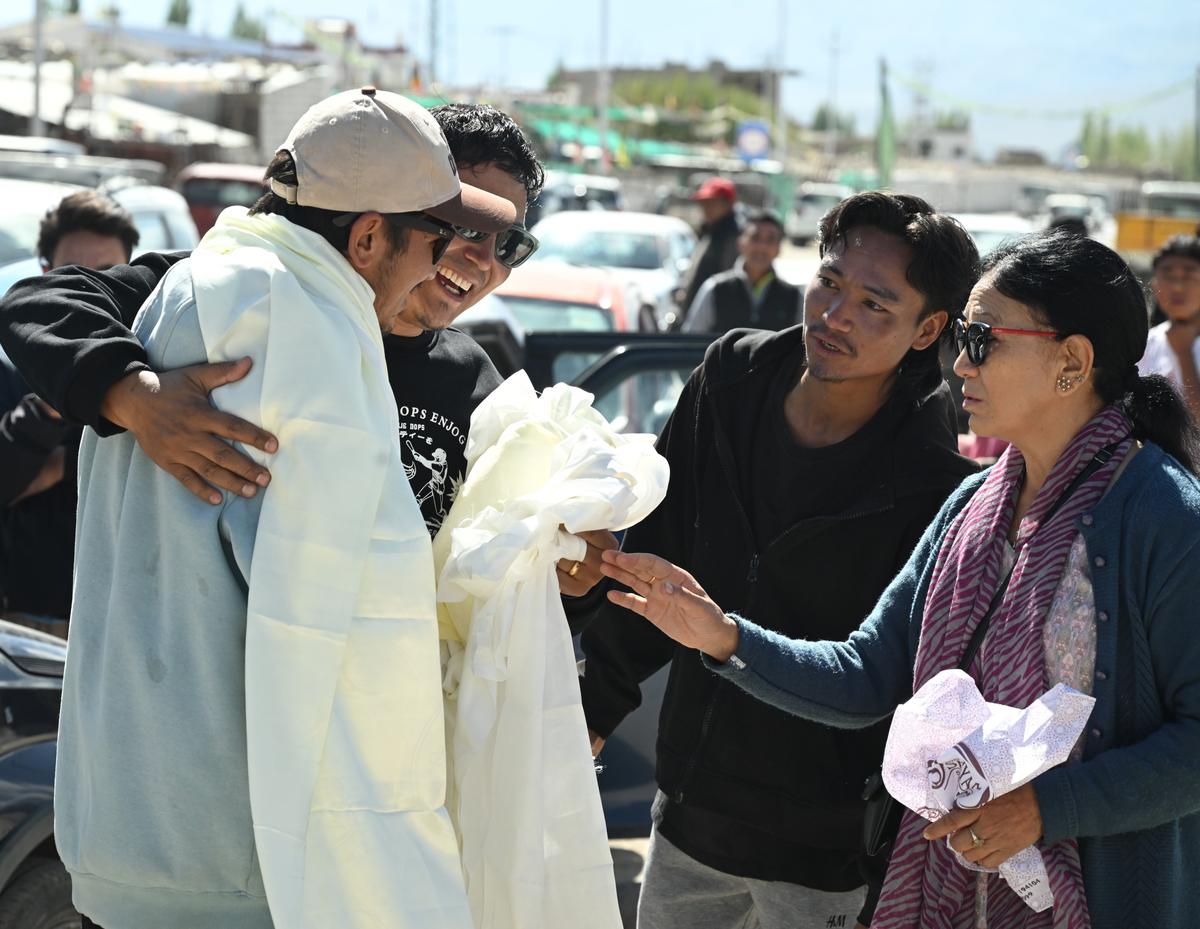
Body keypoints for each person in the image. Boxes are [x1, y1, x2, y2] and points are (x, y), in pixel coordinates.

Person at [602, 230, 1200, 928]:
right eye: (962, 338)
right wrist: (724, 636)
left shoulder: (1163, 514)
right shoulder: (973, 506)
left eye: (982, 339)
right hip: (947, 892)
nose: (960, 361)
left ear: (1072, 360)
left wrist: (1046, 808)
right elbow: (868, 674)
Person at [53, 87, 520, 929]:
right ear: (369, 236)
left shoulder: (199, 284)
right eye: (434, 239)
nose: (440, 266)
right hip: (235, 851)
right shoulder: (305, 328)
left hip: (120, 826)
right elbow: (344, 631)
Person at [0, 103, 616, 602]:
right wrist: (136, 397)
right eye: (467, 225)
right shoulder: (229, 297)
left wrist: (566, 563)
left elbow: (484, 571)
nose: (482, 260)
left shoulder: (478, 385)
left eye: (510, 245)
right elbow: (39, 302)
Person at [579, 192, 981, 929]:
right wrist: (593, 707)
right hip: (689, 816)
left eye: (874, 304)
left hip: (826, 854)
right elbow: (653, 560)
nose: (836, 315)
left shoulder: (934, 484)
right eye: (829, 282)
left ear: (928, 329)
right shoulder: (728, 383)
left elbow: (888, 678)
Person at [0, 190, 140, 635]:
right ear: (45, 274)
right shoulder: (9, 369)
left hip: (128, 622)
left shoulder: (153, 366)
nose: (87, 292)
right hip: (31, 625)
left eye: (106, 275)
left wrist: (61, 465)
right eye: (71, 274)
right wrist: (52, 403)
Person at [682, 211, 801, 335]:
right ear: (740, 243)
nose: (762, 247)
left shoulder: (794, 297)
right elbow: (692, 338)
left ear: (778, 248)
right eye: (755, 238)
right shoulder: (715, 288)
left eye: (770, 240)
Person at [1138, 234, 1200, 420]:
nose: (1177, 287)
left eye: (1189, 276)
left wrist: (1183, 354)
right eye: (1167, 275)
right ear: (1154, 285)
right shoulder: (1146, 343)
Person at [674, 176, 741, 324]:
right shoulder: (711, 232)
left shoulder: (731, 237)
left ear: (728, 204)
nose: (706, 208)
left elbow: (729, 284)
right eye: (703, 203)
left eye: (712, 203)